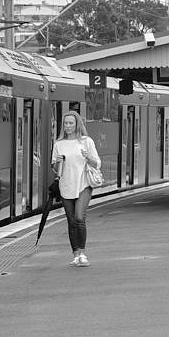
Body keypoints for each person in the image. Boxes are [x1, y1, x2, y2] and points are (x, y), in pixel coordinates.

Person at [51, 111, 102, 267]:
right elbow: (54, 168)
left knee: (79, 217)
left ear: (77, 124)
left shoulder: (86, 142)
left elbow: (97, 164)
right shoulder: (59, 144)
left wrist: (88, 157)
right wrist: (57, 163)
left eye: (70, 123)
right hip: (66, 185)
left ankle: (82, 253)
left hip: (83, 184)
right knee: (71, 221)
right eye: (65, 123)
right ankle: (75, 254)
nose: (67, 126)